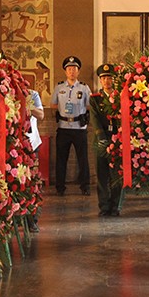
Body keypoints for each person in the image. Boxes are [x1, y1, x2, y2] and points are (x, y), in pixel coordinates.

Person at [51, 56, 91, 196]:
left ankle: (85, 186)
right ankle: (60, 187)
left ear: (78, 71)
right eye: (69, 69)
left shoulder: (84, 88)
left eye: (74, 69)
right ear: (65, 71)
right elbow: (53, 104)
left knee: (83, 159)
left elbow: (89, 106)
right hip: (63, 127)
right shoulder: (59, 87)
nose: (72, 71)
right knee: (61, 159)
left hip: (79, 128)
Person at [92, 63, 123, 216]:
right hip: (101, 140)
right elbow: (95, 119)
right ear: (100, 80)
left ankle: (116, 205)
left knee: (116, 174)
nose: (107, 81)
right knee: (102, 175)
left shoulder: (120, 98)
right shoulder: (95, 99)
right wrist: (102, 138)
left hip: (117, 140)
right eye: (104, 78)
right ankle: (104, 206)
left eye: (109, 78)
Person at [25, 87, 45, 232]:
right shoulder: (6, 93)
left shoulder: (32, 94)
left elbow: (41, 115)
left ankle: (32, 219)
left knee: (32, 184)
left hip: (31, 144)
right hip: (14, 143)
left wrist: (28, 107)